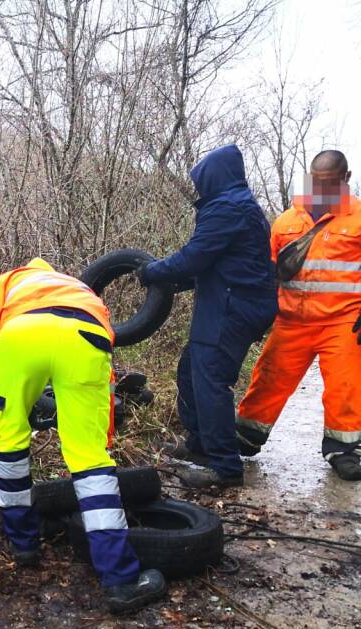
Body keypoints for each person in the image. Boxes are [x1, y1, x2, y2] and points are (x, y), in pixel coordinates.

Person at [0, 258, 167, 614]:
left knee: (9, 442)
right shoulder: (78, 289)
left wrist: (7, 401)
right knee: (90, 460)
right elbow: (105, 371)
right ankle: (120, 581)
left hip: (19, 338)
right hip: (86, 336)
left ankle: (22, 544)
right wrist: (101, 438)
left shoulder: (5, 283)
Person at [137, 144, 277, 488]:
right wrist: (171, 279)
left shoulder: (228, 208)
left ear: (214, 177)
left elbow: (194, 257)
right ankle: (200, 444)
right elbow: (210, 264)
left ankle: (225, 468)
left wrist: (152, 271)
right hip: (232, 301)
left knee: (211, 380)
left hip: (233, 308)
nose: (199, 189)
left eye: (201, 181)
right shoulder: (238, 206)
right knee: (191, 370)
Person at [237, 150, 361, 481]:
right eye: (317, 183)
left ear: (346, 180)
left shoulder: (359, 218)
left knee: (345, 385)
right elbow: (270, 271)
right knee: (268, 376)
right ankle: (246, 435)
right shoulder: (288, 220)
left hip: (343, 320)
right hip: (292, 319)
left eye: (330, 183)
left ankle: (344, 448)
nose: (322, 190)